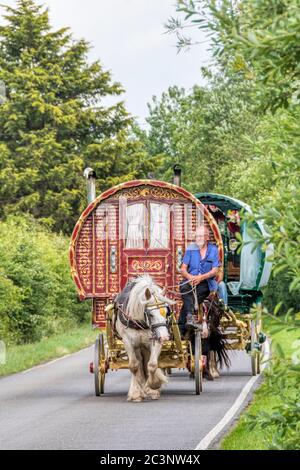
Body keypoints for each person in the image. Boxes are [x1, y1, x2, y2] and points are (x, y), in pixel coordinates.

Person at [178, 225, 221, 337]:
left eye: (201, 236)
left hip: (206, 283)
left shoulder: (213, 249)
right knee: (184, 288)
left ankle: (182, 325)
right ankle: (189, 319)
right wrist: (190, 277)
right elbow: (182, 269)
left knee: (193, 296)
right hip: (190, 281)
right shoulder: (190, 249)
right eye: (197, 236)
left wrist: (201, 277)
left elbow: (215, 270)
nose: (199, 238)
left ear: (207, 237)